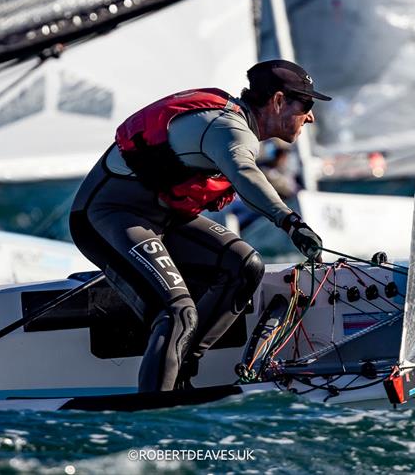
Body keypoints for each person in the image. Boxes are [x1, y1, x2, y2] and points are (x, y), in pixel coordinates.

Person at [69, 59, 330, 392]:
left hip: (160, 217)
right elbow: (245, 173)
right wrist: (290, 222)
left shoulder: (235, 124)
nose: (311, 115)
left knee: (244, 266)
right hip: (106, 216)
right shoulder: (230, 128)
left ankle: (180, 373)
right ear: (278, 101)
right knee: (177, 312)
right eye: (305, 104)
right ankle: (157, 416)